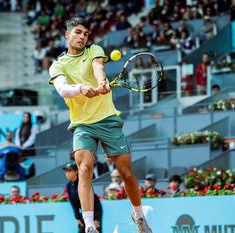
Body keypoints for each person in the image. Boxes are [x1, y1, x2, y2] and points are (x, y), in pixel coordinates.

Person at [49, 17, 152, 233]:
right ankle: (89, 226)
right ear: (67, 34)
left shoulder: (94, 50)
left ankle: (139, 216)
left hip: (108, 119)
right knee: (84, 169)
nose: (82, 37)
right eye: (78, 32)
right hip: (82, 124)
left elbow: (98, 67)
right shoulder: (58, 65)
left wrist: (102, 81)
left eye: (86, 34)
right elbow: (63, 89)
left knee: (126, 172)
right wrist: (81, 88)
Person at [64, 161, 102, 233]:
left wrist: (96, 219)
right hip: (83, 213)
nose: (67, 173)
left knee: (95, 230)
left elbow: (94, 201)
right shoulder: (68, 186)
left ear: (76, 172)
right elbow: (73, 204)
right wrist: (77, 218)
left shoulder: (82, 183)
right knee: (81, 230)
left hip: (94, 210)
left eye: (69, 170)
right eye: (66, 171)